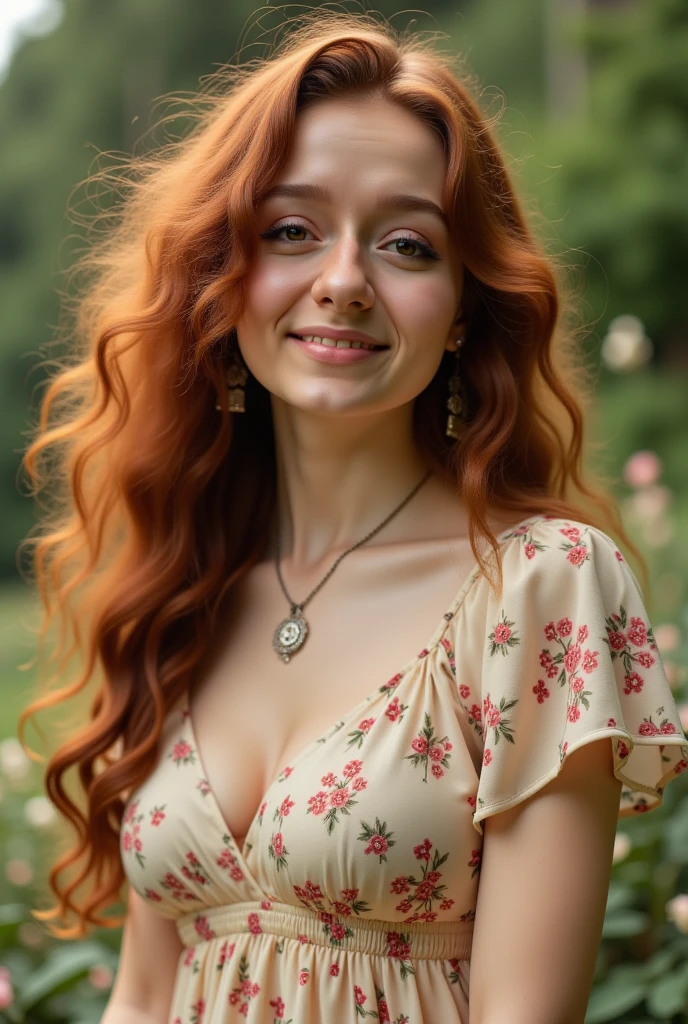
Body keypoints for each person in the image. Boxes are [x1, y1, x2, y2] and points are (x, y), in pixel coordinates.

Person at [18, 12, 688, 1024]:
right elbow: (144, 996)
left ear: (462, 302)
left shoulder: (536, 586)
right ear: (224, 273)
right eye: (290, 230)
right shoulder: (191, 587)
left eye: (406, 244)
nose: (341, 280)